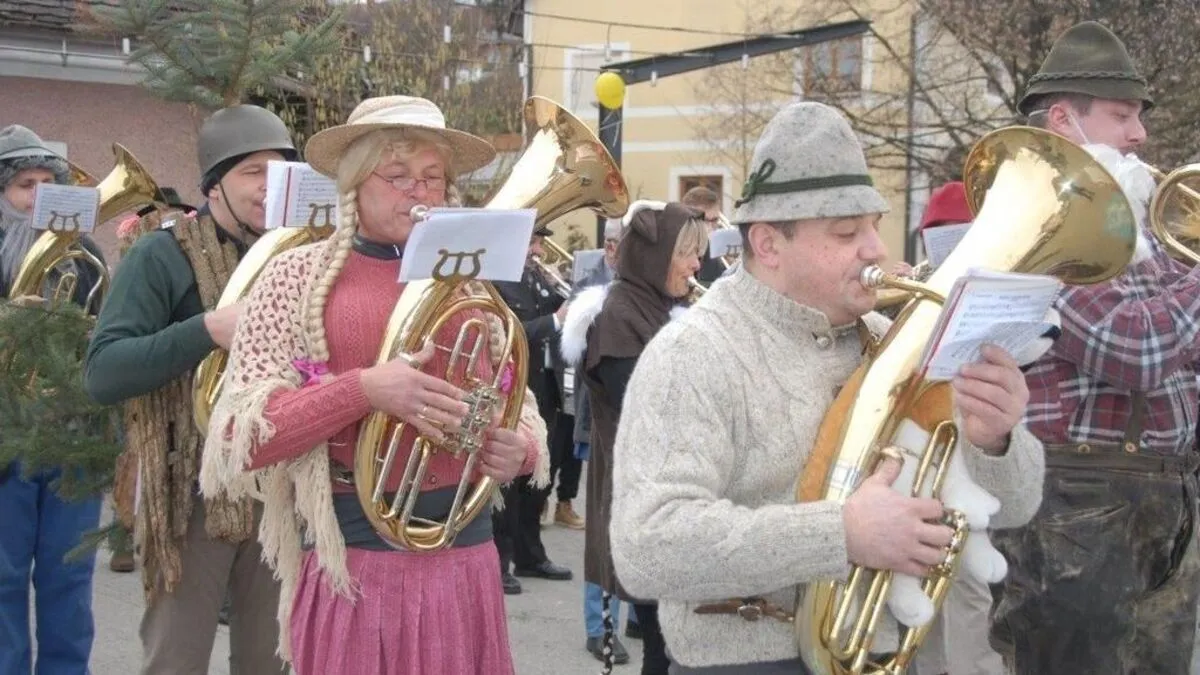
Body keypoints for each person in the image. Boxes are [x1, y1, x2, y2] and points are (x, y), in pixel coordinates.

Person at [607, 101, 1045, 674]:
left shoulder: (890, 341)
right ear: (767, 245)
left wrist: (996, 441)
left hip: (888, 655)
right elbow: (645, 547)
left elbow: (1015, 507)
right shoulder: (693, 354)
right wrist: (841, 533)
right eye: (847, 232)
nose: (876, 250)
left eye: (873, 226)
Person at [197, 95, 550, 675]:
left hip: (465, 554)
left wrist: (522, 448)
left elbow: (518, 399)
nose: (420, 192)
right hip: (354, 558)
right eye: (398, 175)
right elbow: (240, 434)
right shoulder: (293, 275)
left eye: (433, 177)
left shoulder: (467, 280)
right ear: (354, 184)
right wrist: (364, 390)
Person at [988, 20, 1200, 675]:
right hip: (1077, 508)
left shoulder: (1145, 230)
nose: (1139, 135)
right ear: (1063, 121)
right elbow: (1137, 350)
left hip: (1166, 498)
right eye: (1121, 116)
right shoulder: (1033, 225)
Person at [84, 104, 298, 674]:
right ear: (214, 184)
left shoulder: (296, 257)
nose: (268, 185)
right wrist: (207, 328)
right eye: (253, 170)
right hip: (189, 494)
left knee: (271, 661)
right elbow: (104, 372)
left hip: (279, 489)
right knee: (176, 659)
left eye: (280, 172)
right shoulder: (162, 253)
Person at [570, 200, 705, 673]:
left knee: (672, 646)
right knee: (662, 649)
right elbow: (649, 415)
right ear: (653, 257)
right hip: (643, 500)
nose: (696, 265)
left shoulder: (661, 308)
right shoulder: (621, 317)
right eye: (687, 253)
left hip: (669, 497)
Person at [0, 124, 106, 675]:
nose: (37, 194)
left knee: (70, 575)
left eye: (48, 182)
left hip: (73, 439)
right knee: (2, 578)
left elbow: (106, 337)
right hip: (5, 444)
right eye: (24, 184)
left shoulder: (84, 254)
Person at [492, 231, 575, 594]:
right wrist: (556, 320)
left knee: (539, 481)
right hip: (514, 391)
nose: (539, 251)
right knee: (508, 485)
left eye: (539, 243)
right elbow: (507, 334)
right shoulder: (497, 281)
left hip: (547, 388)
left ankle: (531, 555)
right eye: (532, 244)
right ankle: (500, 562)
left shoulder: (536, 277)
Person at [681, 186, 727, 286]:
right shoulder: (672, 251)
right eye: (704, 220)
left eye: (714, 220)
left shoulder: (716, 259)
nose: (709, 227)